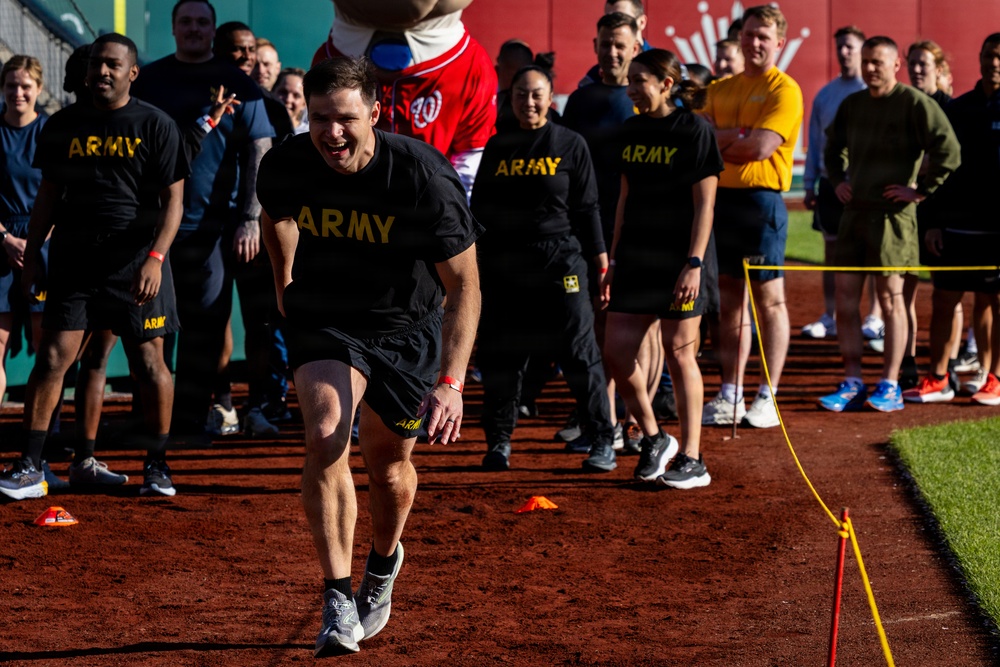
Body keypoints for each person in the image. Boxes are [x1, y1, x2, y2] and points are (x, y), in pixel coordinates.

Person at [257, 57, 481, 656]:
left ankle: (382, 566)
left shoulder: (420, 177)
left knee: (387, 469)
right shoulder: (287, 164)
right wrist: (285, 287)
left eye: (346, 119)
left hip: (405, 329)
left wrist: (452, 382)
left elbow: (464, 286)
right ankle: (336, 599)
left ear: (376, 114)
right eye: (319, 117)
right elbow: (274, 215)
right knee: (326, 433)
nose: (332, 133)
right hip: (326, 319)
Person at [0, 34, 188, 501]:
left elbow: (174, 203)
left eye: (112, 65)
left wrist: (156, 259)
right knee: (51, 360)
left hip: (138, 265)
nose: (102, 72)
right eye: (96, 65)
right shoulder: (63, 124)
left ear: (132, 73)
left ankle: (157, 465)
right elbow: (48, 197)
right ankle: (31, 465)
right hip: (74, 261)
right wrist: (34, 258)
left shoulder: (157, 124)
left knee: (149, 363)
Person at [131, 0, 274, 442]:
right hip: (153, 229)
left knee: (206, 330)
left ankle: (191, 421)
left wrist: (250, 217)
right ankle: (150, 422)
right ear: (173, 28)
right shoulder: (150, 79)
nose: (194, 29)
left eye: (202, 22)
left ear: (213, 29)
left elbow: (259, 149)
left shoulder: (236, 84)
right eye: (186, 22)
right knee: (148, 334)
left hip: (212, 232)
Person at [471, 64, 615, 472]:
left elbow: (588, 209)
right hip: (507, 263)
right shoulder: (499, 146)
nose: (528, 101)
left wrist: (601, 260)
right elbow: (480, 210)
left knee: (578, 350)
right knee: (503, 355)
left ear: (551, 98)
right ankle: (498, 440)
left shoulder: (571, 144)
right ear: (510, 97)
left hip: (561, 259)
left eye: (536, 94)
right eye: (520, 93)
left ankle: (602, 439)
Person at [819, 36, 960, 413]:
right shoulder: (852, 104)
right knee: (846, 301)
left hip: (894, 220)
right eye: (866, 61)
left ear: (896, 64)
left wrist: (920, 191)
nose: (869, 69)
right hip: (854, 216)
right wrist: (837, 181)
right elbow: (832, 149)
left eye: (877, 62)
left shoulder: (915, 104)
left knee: (892, 300)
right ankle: (851, 380)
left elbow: (950, 152)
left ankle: (890, 383)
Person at [603, 48, 722, 488]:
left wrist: (693, 263)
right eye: (630, 81)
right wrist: (614, 260)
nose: (632, 88)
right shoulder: (630, 130)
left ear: (666, 84)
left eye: (640, 81)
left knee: (679, 352)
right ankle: (654, 437)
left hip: (680, 259)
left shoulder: (694, 130)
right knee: (616, 351)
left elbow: (705, 204)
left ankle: (693, 457)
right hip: (635, 256)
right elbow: (623, 200)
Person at [699, 5, 803, 429]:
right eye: (749, 34)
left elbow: (760, 147)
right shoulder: (720, 88)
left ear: (779, 42)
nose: (754, 43)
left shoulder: (785, 89)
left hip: (761, 204)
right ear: (739, 37)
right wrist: (736, 136)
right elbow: (699, 138)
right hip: (721, 202)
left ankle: (768, 394)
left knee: (770, 300)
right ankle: (732, 392)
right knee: (730, 304)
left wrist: (726, 139)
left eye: (764, 36)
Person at [312, 0, 497, 198]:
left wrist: (453, 203)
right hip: (355, 202)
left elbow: (470, 153)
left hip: (428, 202)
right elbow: (318, 135)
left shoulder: (470, 65)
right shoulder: (330, 61)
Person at [904, 33, 1000, 406]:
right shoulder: (958, 110)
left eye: (999, 57)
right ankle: (939, 377)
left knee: (990, 301)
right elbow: (942, 171)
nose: (994, 62)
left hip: (996, 229)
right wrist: (933, 222)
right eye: (988, 55)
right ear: (978, 57)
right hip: (955, 224)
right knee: (944, 298)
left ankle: (993, 378)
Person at [800, 26, 867, 340]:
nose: (844, 52)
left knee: (873, 255)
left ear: (862, 49)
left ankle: (875, 317)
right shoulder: (826, 94)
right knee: (832, 254)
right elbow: (815, 141)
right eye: (840, 46)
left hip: (867, 187)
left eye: (850, 46)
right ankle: (830, 315)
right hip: (830, 186)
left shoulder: (872, 90)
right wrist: (810, 182)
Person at [0, 56, 47, 410]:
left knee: (46, 347)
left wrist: (39, 236)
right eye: (11, 86)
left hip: (44, 243)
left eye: (25, 86)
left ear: (39, 89)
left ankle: (44, 436)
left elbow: (65, 193)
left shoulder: (51, 132)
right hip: (1, 244)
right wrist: (4, 238)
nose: (18, 93)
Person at [578, 0, 654, 87]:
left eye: (623, 17)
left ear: (642, 22)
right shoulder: (593, 78)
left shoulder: (660, 67)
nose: (615, 23)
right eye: (609, 17)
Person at [275, 67, 309, 134]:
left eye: (296, 95)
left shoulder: (309, 136)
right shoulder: (257, 130)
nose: (288, 99)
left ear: (304, 103)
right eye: (283, 92)